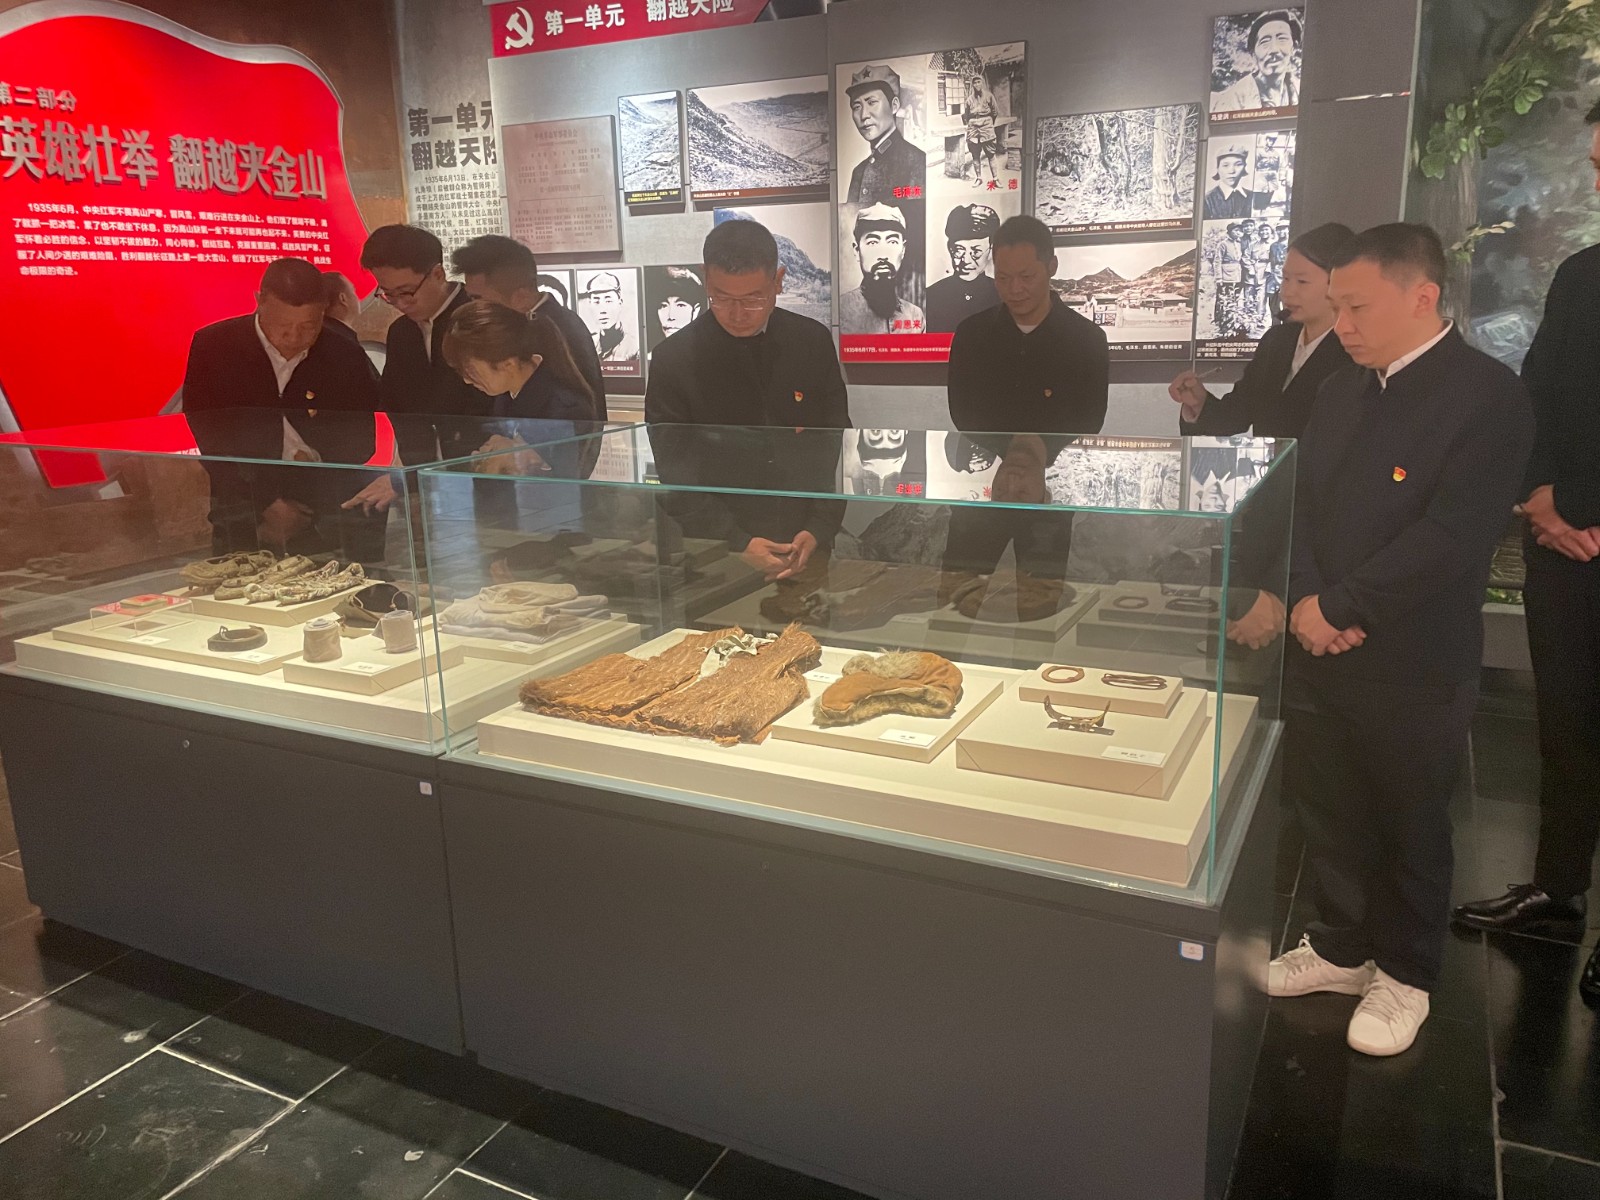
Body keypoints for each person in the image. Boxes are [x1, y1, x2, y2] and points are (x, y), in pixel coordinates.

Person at [1271, 223, 1533, 1056]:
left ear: (1423, 296)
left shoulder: (1487, 397)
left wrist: (1345, 605)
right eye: (1337, 306)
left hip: (1416, 655)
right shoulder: (1339, 389)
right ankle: (1342, 944)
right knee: (1329, 805)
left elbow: (1454, 535)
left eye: (1358, 307)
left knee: (1410, 817)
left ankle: (1406, 972)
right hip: (1321, 639)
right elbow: (1300, 500)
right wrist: (1307, 597)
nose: (1342, 325)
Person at [1452, 99, 1600, 1006]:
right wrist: (1542, 499)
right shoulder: (1581, 276)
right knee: (1567, 725)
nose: (1598, 175)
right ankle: (1557, 886)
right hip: (1560, 542)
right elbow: (1538, 393)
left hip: (1584, 523)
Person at [645, 219, 849, 580]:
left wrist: (819, 527)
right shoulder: (673, 359)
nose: (737, 314)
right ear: (706, 279)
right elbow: (674, 471)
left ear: (778, 281)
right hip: (716, 552)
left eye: (753, 298)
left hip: (805, 543)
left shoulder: (811, 342)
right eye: (722, 298)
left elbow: (835, 442)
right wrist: (736, 542)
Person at [943, 215, 1108, 599]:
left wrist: (1037, 451)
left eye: (1027, 276)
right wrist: (1010, 450)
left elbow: (1090, 418)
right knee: (953, 601)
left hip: (1050, 492)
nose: (1014, 289)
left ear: (1051, 267)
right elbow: (962, 411)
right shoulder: (972, 335)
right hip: (983, 489)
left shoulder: (1086, 339)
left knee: (1039, 605)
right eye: (1003, 278)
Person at [182, 257, 382, 555]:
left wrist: (311, 485)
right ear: (260, 301)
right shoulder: (216, 346)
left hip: (323, 505)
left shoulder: (342, 351)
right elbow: (209, 433)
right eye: (282, 326)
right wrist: (265, 503)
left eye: (308, 326)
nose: (293, 337)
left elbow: (359, 439)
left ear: (323, 311)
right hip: (242, 501)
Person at [1172, 222, 1354, 439]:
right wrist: (1199, 403)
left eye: (1302, 281)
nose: (1287, 292)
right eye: (1285, 279)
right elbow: (1239, 412)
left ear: (1339, 283)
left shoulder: (1355, 349)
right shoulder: (1277, 341)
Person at [356, 223, 485, 506]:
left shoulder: (479, 319)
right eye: (388, 294)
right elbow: (398, 406)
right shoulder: (401, 332)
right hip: (424, 479)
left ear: (437, 274)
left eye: (406, 292)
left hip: (484, 472)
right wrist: (409, 479)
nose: (400, 304)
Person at [451, 234, 606, 423]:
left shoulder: (561, 328)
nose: (473, 307)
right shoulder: (526, 324)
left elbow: (583, 414)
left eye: (477, 298)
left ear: (521, 296)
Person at [441, 300, 594, 482]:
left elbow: (559, 482)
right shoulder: (506, 393)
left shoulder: (563, 408)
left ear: (508, 364)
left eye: (471, 371)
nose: (466, 380)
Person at [844, 64, 926, 310]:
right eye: (856, 106)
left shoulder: (915, 161)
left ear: (895, 105)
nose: (863, 115)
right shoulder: (859, 171)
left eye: (872, 102)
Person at [839, 203, 925, 335]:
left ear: (903, 250)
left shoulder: (915, 315)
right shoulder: (840, 310)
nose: (883, 255)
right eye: (873, 242)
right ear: (857, 251)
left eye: (892, 242)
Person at [925, 204, 1000, 334]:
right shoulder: (930, 296)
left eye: (976, 252)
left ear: (991, 250)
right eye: (959, 251)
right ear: (950, 248)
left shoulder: (1004, 296)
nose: (966, 260)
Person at [1211, 9, 1302, 114]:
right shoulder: (1231, 100)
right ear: (1253, 54)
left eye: (1282, 39)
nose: (1274, 49)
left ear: (1293, 48)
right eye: (1265, 42)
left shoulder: (1302, 90)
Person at [578, 271, 640, 367]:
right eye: (596, 302)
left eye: (608, 301)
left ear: (620, 303)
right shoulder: (588, 344)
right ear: (590, 305)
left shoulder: (634, 348)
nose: (602, 310)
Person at [648, 266, 705, 354]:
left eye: (680, 305)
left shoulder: (707, 354)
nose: (670, 316)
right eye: (664, 305)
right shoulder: (650, 357)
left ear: (695, 311)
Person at [963, 73, 999, 188]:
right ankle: (979, 178)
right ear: (972, 85)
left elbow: (995, 112)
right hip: (973, 127)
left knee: (991, 153)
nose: (977, 84)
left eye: (979, 82)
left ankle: (995, 179)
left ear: (982, 83)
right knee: (975, 154)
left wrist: (988, 122)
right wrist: (972, 123)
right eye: (975, 82)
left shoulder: (989, 96)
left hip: (986, 126)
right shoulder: (969, 100)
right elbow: (966, 115)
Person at [1210, 223, 1246, 334]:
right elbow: (1217, 261)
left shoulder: (1239, 244)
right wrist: (1219, 278)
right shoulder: (1223, 244)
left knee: (1234, 299)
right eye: (1235, 230)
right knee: (1222, 299)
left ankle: (1232, 321)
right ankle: (1220, 322)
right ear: (1229, 232)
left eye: (1239, 231)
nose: (1238, 233)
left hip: (1237, 274)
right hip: (1226, 275)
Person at [1203, 147, 1252, 220]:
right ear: (1217, 168)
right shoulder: (1207, 200)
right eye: (1225, 165)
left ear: (1244, 167)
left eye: (1238, 164)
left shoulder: (1252, 197)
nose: (1231, 171)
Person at [321, 271, 361, 342]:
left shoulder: (316, 334)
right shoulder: (344, 341)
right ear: (343, 298)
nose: (358, 298)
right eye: (353, 290)